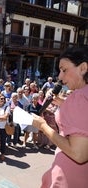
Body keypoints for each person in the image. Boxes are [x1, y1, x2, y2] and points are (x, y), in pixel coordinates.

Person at [32, 47, 88, 188]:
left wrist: (43, 126)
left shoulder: (79, 97)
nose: (60, 77)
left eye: (64, 70)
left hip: (68, 176)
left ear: (83, 68)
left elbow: (79, 154)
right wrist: (64, 103)